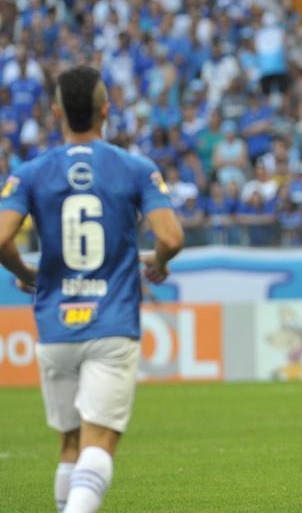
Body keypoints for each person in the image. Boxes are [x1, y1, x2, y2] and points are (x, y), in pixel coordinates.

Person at [0, 65, 184, 513]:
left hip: (55, 325)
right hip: (111, 322)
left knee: (69, 445)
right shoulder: (135, 168)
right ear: (106, 110)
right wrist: (158, 263)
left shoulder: (30, 172)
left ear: (56, 112)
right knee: (98, 444)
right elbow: (171, 237)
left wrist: (28, 274)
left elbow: (2, 239)